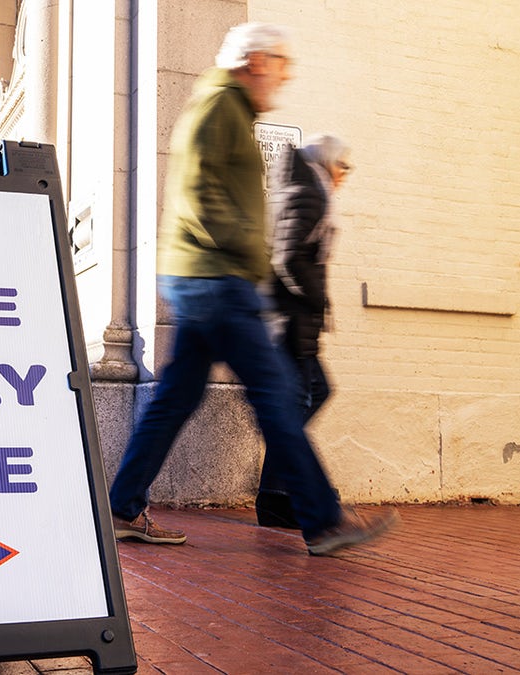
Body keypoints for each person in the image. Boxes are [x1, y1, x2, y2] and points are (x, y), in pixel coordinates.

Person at [107, 23, 397, 556]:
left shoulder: (229, 108)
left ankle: (122, 507)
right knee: (276, 395)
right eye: (282, 65)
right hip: (219, 280)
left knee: (175, 399)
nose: (285, 77)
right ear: (258, 62)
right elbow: (201, 195)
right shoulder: (220, 105)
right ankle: (323, 521)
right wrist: (249, 258)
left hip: (202, 277)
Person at [255, 134, 353, 529]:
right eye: (344, 164)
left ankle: (275, 496)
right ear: (328, 160)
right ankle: (295, 501)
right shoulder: (309, 191)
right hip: (290, 322)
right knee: (293, 409)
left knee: (301, 402)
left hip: (293, 321)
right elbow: (288, 257)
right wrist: (315, 298)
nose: (345, 173)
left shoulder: (307, 187)